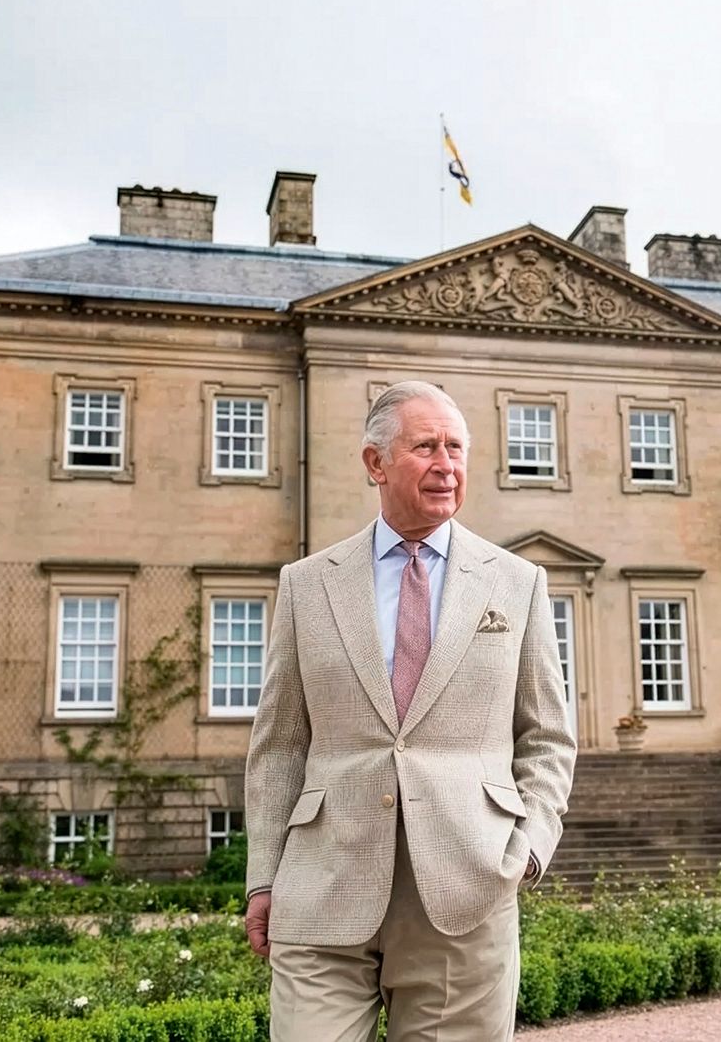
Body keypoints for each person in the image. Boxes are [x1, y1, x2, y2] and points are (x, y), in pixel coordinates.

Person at [242, 380, 577, 1041]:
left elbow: (547, 738)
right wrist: (262, 876)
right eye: (426, 446)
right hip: (323, 883)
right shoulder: (307, 584)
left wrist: (529, 848)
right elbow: (280, 743)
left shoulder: (517, 582)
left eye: (456, 447)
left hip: (468, 885)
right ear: (376, 463)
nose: (446, 463)